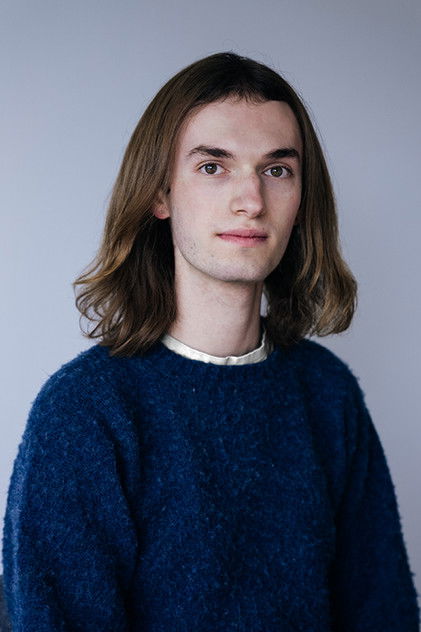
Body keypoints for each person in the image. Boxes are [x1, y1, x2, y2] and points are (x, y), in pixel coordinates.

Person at [2, 52, 419, 631]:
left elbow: (384, 613)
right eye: (212, 166)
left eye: (277, 170)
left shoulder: (328, 393)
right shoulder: (86, 412)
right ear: (161, 193)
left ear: (302, 201)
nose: (251, 200)